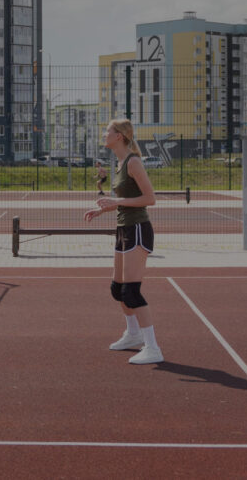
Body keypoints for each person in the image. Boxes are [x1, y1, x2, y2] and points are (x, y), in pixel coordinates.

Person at [85, 118, 163, 364]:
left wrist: (116, 202)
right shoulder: (119, 163)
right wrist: (103, 210)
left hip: (138, 229)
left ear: (119, 135)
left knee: (131, 291)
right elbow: (125, 201)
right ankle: (133, 334)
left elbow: (150, 198)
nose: (104, 133)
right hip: (124, 227)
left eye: (107, 130)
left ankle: (153, 348)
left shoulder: (133, 162)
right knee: (117, 289)